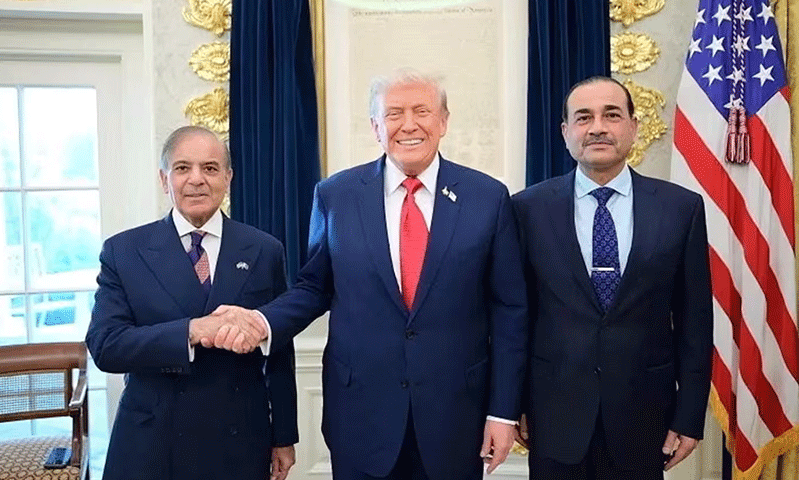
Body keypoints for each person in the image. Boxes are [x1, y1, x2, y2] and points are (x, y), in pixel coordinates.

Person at [208, 69, 528, 479]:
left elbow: (509, 311)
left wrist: (503, 412)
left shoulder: (487, 197)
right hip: (361, 415)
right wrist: (260, 321)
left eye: (422, 111)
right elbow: (313, 287)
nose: (408, 125)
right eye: (393, 114)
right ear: (376, 127)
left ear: (443, 121)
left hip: (455, 417)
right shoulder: (335, 195)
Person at [512, 76, 713, 479]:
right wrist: (511, 403)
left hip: (644, 418)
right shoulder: (526, 210)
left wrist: (690, 416)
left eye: (612, 115)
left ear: (633, 127)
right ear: (566, 132)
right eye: (583, 117)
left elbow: (695, 322)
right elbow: (515, 317)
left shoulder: (680, 209)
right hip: (553, 416)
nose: (598, 127)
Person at [86, 126, 298, 480]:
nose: (196, 179)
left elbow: (279, 351)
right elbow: (106, 346)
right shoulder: (123, 251)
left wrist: (284, 437)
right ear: (164, 179)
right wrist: (192, 331)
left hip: (240, 441)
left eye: (210, 168)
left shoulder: (265, 249)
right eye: (183, 168)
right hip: (152, 443)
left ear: (228, 178)